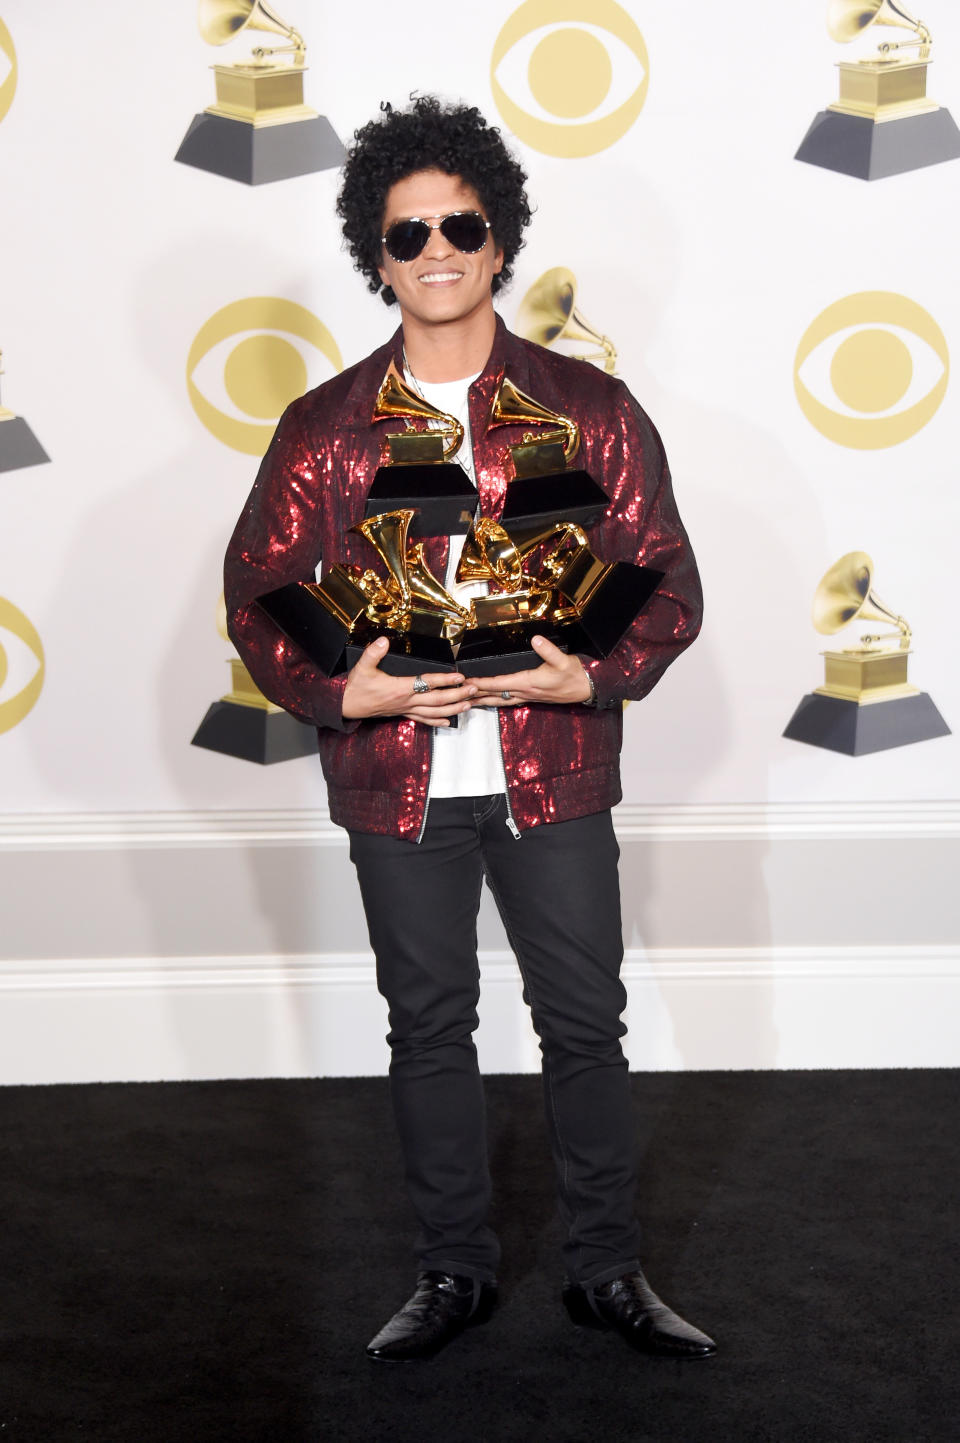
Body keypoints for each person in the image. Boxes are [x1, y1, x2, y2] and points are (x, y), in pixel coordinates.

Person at [225, 96, 715, 1363]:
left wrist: (586, 678)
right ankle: (453, 1273)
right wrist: (346, 697)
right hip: (399, 780)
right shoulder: (323, 430)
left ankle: (608, 1271)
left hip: (554, 770)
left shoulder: (592, 408)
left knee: (585, 1023)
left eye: (462, 225)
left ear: (502, 243)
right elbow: (258, 594)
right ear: (374, 255)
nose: (436, 249)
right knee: (428, 1026)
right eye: (406, 233)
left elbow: (667, 581)